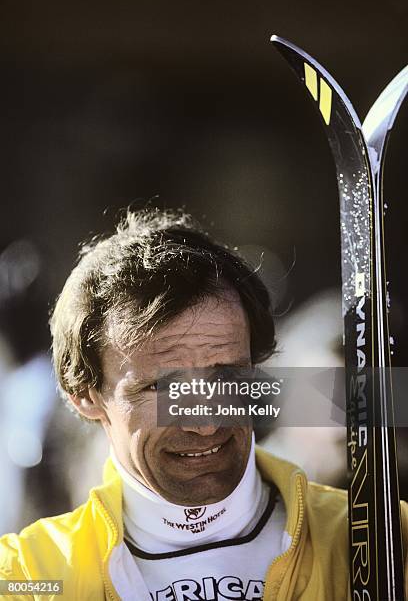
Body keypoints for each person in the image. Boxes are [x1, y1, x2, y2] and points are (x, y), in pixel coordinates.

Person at [0, 209, 406, 601]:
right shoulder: (28, 578)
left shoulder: (386, 541)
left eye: (226, 375)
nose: (207, 423)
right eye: (161, 388)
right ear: (87, 396)